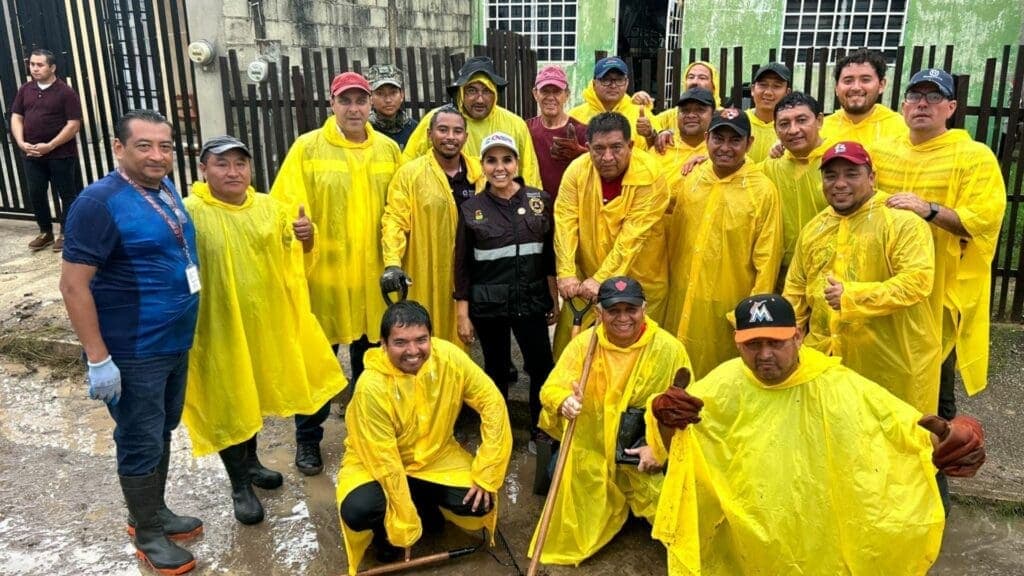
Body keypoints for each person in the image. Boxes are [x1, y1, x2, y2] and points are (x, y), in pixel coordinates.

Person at [649, 294, 986, 575]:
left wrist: (957, 436)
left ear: (797, 337)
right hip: (745, 537)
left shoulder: (836, 385)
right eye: (752, 344)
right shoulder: (725, 382)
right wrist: (664, 419)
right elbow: (677, 449)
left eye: (775, 342)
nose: (764, 355)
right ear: (737, 344)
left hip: (816, 531)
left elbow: (900, 426)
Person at [59, 109, 201, 574]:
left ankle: (153, 511)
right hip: (134, 347)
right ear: (119, 148)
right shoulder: (98, 203)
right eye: (144, 145)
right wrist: (99, 359)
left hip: (173, 341)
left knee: (160, 430)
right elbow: (73, 285)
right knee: (140, 438)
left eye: (165, 146)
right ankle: (147, 534)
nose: (157, 155)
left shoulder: (164, 188)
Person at [181, 136, 348, 525]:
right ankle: (239, 483)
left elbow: (294, 259)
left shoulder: (270, 209)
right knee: (228, 400)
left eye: (240, 163)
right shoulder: (190, 213)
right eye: (222, 164)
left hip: (263, 324)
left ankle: (252, 463)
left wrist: (307, 241)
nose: (233, 172)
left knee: (251, 395)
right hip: (218, 326)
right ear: (203, 170)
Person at [271, 71, 402, 476]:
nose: (354, 108)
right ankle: (308, 440)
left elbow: (400, 207)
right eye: (345, 100)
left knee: (371, 364)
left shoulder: (387, 150)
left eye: (360, 100)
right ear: (332, 103)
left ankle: (365, 434)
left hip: (372, 280)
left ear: (370, 106)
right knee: (318, 362)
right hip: (323, 279)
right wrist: (297, 230)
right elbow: (284, 207)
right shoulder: (308, 148)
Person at [336, 301, 512, 574]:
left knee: (480, 500)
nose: (413, 351)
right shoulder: (370, 386)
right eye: (400, 342)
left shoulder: (450, 358)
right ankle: (385, 535)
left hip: (436, 457)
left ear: (431, 337)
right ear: (383, 343)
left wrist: (488, 469)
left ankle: (423, 502)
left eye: (421, 340)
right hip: (374, 466)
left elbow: (492, 403)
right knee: (359, 509)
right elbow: (385, 460)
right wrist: (404, 526)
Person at [528, 276, 692, 566]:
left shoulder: (669, 349)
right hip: (591, 449)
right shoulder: (583, 346)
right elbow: (550, 389)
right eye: (614, 311)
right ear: (598, 314)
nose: (623, 318)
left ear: (645, 309)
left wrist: (659, 449)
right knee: (561, 482)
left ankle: (633, 503)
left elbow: (686, 412)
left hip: (640, 455)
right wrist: (565, 401)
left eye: (631, 309)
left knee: (681, 522)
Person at [871, 68, 1006, 417]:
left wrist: (928, 209)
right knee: (881, 374)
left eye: (934, 97)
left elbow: (982, 220)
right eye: (915, 96)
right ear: (903, 106)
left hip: (938, 288)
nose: (923, 105)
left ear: (951, 107)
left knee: (933, 380)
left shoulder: (973, 156)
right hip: (884, 278)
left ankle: (934, 464)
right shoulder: (882, 152)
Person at [784, 140, 939, 412]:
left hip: (891, 364)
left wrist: (853, 296)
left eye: (851, 174)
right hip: (823, 360)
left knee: (891, 444)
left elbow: (917, 282)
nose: (839, 183)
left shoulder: (902, 222)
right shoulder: (814, 228)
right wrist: (789, 339)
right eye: (831, 176)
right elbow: (795, 289)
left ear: (871, 177)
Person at [453, 131, 558, 447]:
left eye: (507, 160)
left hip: (532, 301)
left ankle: (541, 428)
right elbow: (462, 264)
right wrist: (463, 312)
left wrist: (553, 297)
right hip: (489, 306)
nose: (500, 168)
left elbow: (550, 255)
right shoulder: (471, 208)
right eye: (492, 160)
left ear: (517, 163)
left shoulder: (539, 201)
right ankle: (498, 431)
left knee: (541, 366)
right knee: (496, 369)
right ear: (482, 165)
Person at [663, 108, 782, 378]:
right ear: (707, 139)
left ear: (749, 144)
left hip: (726, 305)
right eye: (718, 139)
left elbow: (767, 260)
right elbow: (655, 207)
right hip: (679, 296)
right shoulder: (689, 178)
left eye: (735, 140)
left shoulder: (762, 191)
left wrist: (751, 316)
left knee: (717, 378)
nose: (725, 148)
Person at [552, 112, 669, 356]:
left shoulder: (650, 175)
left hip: (640, 277)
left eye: (616, 148)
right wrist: (565, 272)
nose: (607, 157)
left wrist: (602, 279)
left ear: (631, 145)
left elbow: (633, 237)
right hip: (586, 279)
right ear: (587, 147)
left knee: (633, 352)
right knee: (572, 350)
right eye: (599, 149)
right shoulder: (576, 171)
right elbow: (565, 221)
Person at [380, 104, 483, 347]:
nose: (450, 137)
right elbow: (395, 219)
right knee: (426, 338)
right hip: (427, 272)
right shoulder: (410, 175)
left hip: (473, 273)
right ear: (429, 134)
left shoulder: (480, 174)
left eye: (457, 131)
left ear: (466, 137)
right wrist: (392, 263)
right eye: (443, 130)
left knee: (468, 344)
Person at [403, 56, 541, 188]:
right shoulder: (438, 120)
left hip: (502, 206)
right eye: (471, 91)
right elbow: (408, 168)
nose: (479, 99)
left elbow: (530, 174)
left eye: (487, 91)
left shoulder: (515, 125)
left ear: (495, 94)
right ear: (461, 92)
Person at [11, 48, 82, 252]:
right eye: (32, 64)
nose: (35, 68)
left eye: (40, 64)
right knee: (36, 193)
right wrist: (21, 142)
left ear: (52, 67)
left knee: (67, 194)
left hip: (60, 154)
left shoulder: (65, 92)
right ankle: (45, 231)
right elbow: (16, 116)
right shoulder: (25, 89)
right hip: (32, 153)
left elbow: (73, 125)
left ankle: (66, 233)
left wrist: (50, 145)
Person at [760, 92, 831, 281]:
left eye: (801, 120)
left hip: (832, 274)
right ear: (775, 129)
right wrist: (706, 161)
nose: (793, 130)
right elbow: (738, 175)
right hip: (783, 274)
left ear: (819, 121)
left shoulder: (841, 163)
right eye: (784, 124)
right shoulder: (771, 166)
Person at [821, 48, 908, 145]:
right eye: (848, 81)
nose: (856, 87)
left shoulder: (902, 129)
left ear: (881, 85)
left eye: (865, 80)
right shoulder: (820, 130)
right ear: (836, 87)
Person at [526, 65, 588, 198]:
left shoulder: (582, 131)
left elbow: (603, 168)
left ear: (567, 95)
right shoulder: (526, 129)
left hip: (571, 208)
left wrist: (583, 154)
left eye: (557, 92)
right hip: (535, 206)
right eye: (545, 91)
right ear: (535, 93)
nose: (550, 97)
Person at [569, 56, 652, 149]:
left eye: (619, 80)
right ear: (594, 83)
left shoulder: (642, 115)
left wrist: (650, 136)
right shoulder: (574, 117)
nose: (613, 85)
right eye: (606, 80)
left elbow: (660, 151)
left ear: (627, 83)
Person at [649, 88, 714, 188]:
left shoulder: (720, 152)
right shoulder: (661, 149)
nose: (691, 115)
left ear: (713, 115)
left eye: (700, 110)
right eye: (685, 110)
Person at [745, 62, 792, 162]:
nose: (768, 92)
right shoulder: (740, 122)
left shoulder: (793, 128)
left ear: (787, 93)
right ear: (753, 89)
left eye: (776, 86)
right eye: (763, 85)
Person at [365, 64, 418, 149]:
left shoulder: (413, 128)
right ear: (370, 98)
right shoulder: (365, 129)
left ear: (402, 95)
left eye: (393, 93)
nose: (388, 100)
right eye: (380, 93)